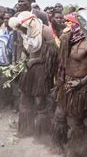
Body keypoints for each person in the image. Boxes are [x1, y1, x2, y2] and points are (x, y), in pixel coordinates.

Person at [52, 14, 87, 157]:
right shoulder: (69, 41)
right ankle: (58, 144)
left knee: (77, 121)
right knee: (59, 115)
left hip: (81, 87)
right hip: (66, 85)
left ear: (79, 25)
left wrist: (81, 82)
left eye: (70, 23)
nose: (66, 26)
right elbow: (62, 63)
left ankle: (76, 151)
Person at [8, 11, 59, 141]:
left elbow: (53, 56)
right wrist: (23, 60)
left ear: (31, 22)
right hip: (29, 68)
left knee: (40, 101)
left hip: (41, 70)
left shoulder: (45, 30)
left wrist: (36, 61)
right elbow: (27, 48)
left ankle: (42, 134)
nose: (23, 30)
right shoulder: (24, 30)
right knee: (25, 100)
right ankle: (25, 130)